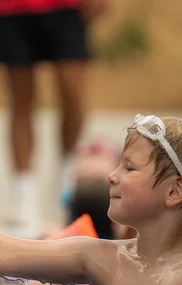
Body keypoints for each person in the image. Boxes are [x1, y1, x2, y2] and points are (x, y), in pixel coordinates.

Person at [0, 114, 182, 285]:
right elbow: (8, 253)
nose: (112, 177)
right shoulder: (101, 257)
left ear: (175, 190)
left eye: (129, 168)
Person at [0, 0, 109, 235]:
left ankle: (66, 176)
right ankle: (24, 192)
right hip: (12, 7)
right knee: (21, 97)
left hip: (66, 6)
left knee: (73, 90)